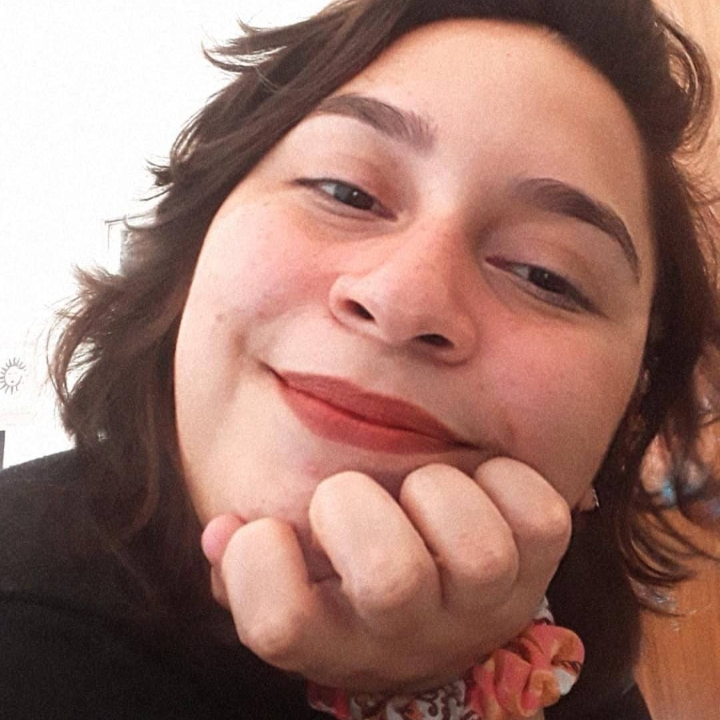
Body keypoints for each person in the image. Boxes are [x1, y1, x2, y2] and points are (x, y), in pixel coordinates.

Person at [1, 0, 718, 718]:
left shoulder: (572, 651)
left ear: (629, 406)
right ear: (194, 249)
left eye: (545, 274)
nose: (404, 300)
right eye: (346, 192)